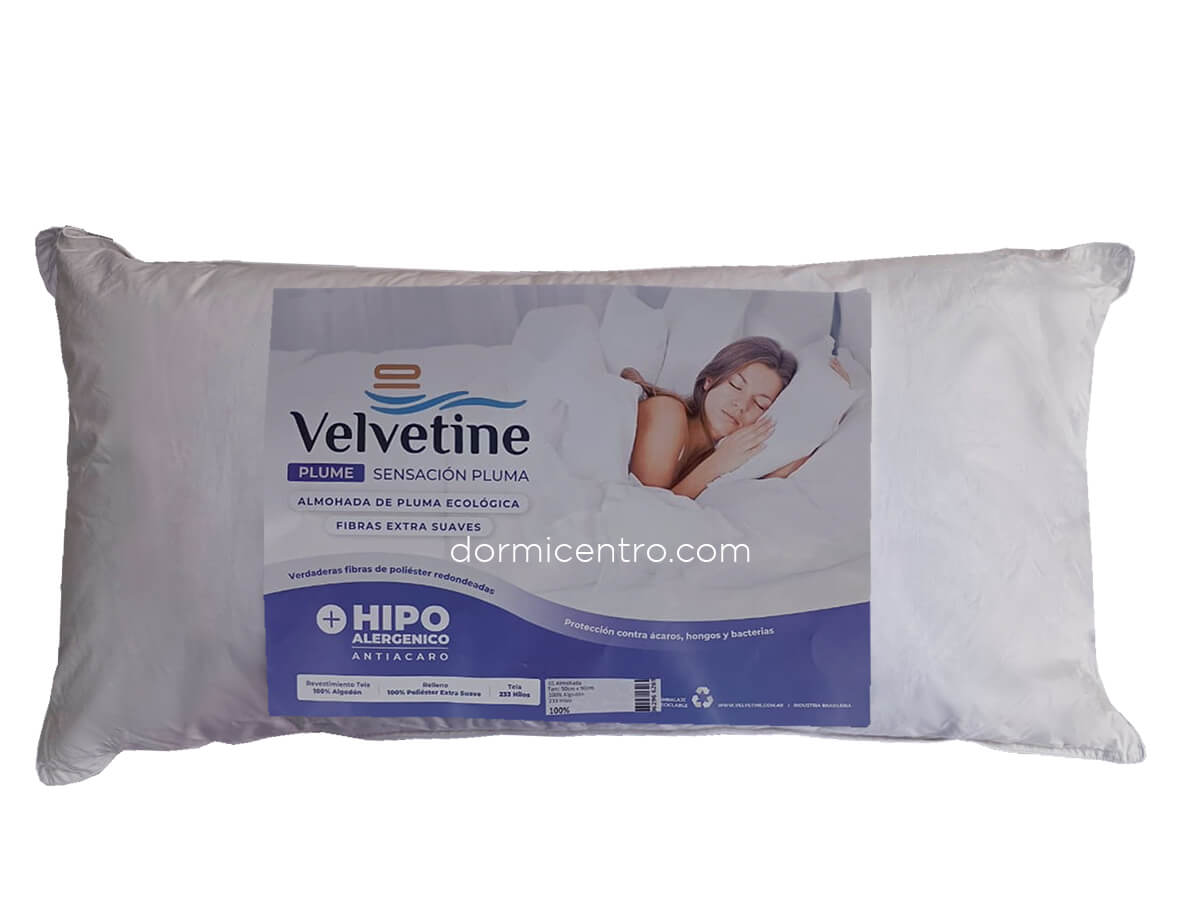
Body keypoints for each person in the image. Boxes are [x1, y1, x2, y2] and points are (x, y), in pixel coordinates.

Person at [623, 336, 849, 499]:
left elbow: (784, 467)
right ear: (709, 381)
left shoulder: (729, 455)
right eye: (735, 385)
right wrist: (718, 463)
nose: (741, 405)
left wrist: (832, 398)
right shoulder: (667, 413)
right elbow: (648, 508)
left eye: (760, 404)